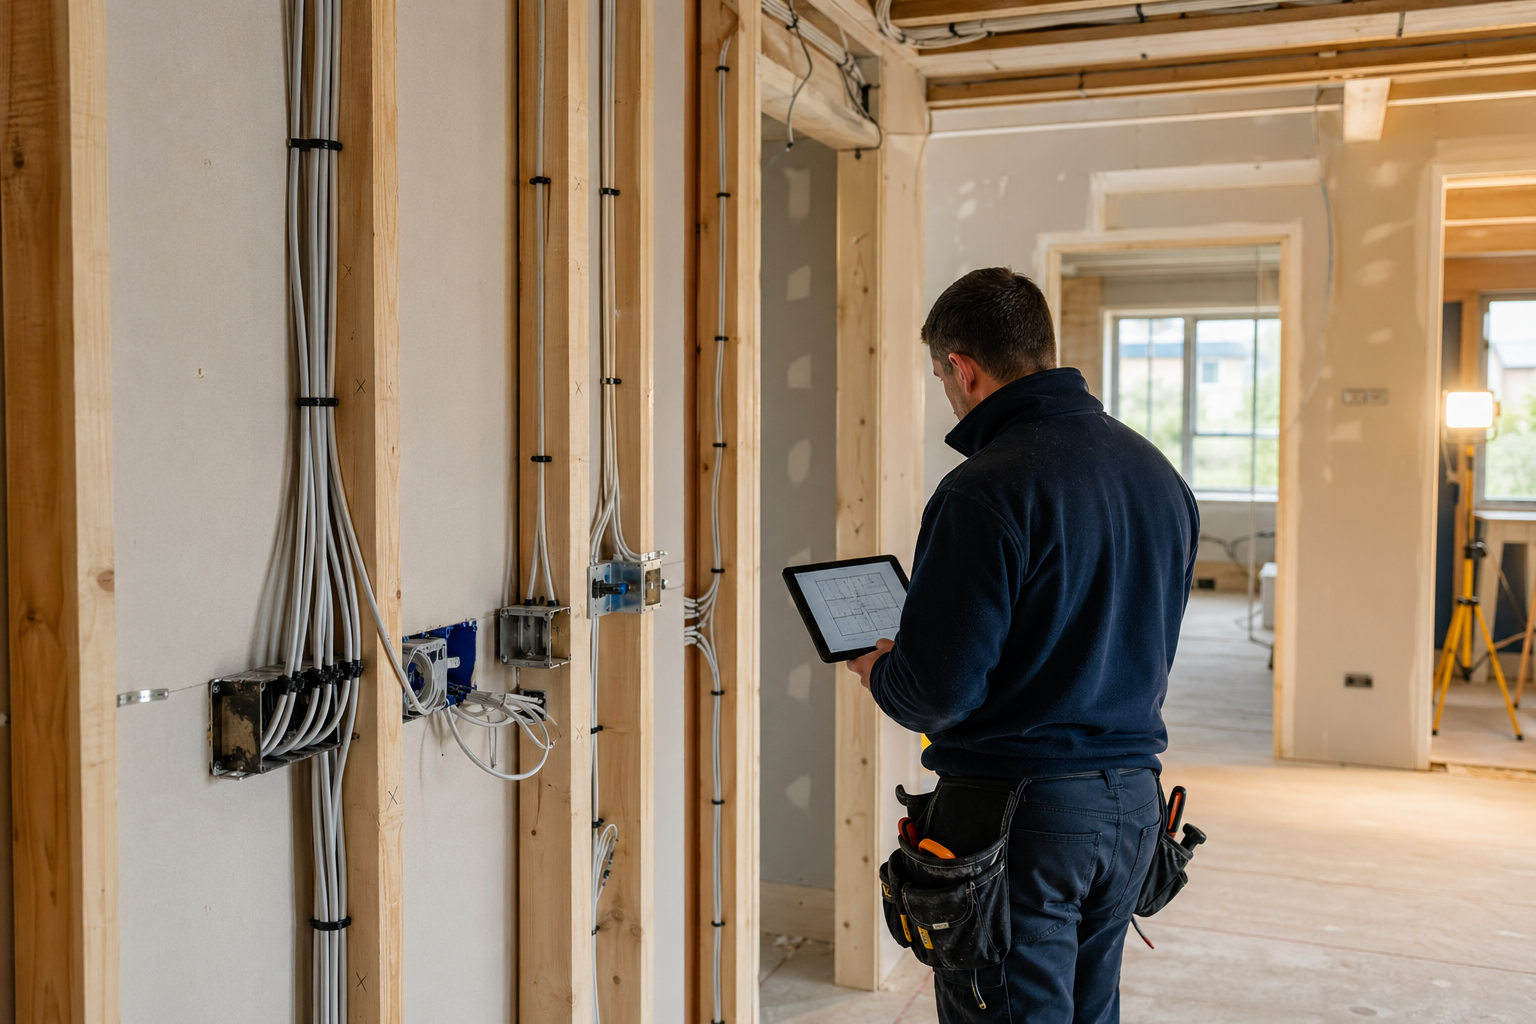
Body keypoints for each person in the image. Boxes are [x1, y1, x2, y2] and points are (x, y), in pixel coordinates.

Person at [849, 267, 1199, 1023]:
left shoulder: (985, 488)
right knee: (1086, 1010)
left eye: (942, 375)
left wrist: (883, 671)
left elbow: (938, 691)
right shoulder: (1158, 474)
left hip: (1020, 816)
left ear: (962, 368)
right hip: (1134, 805)